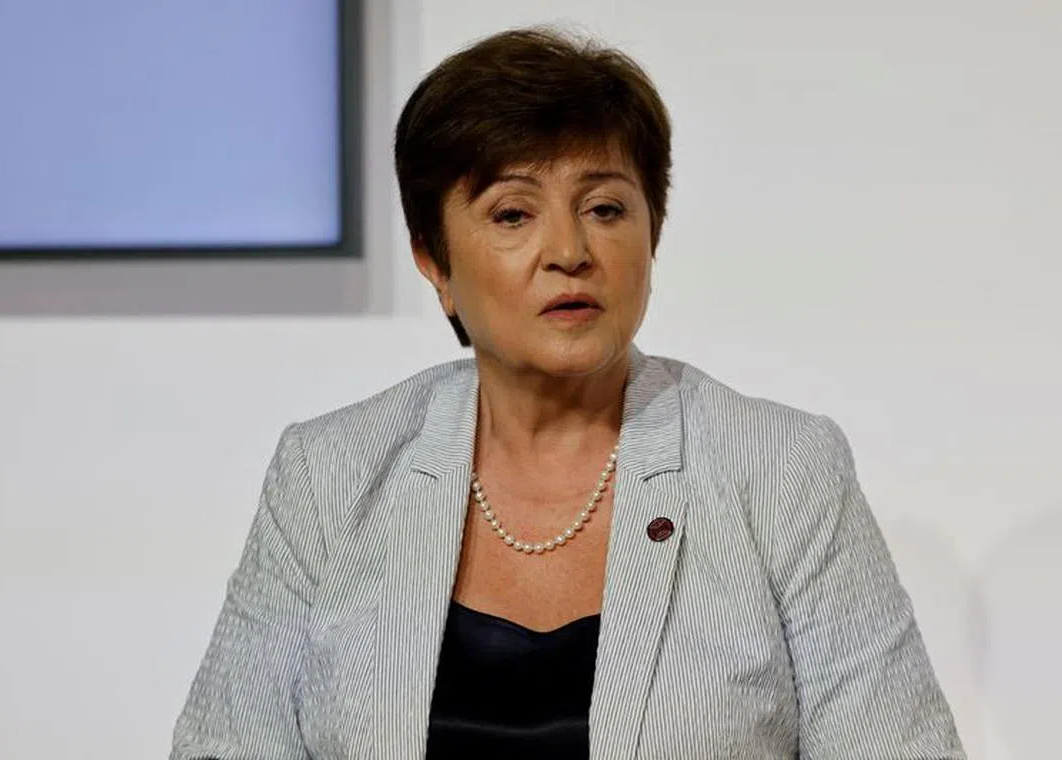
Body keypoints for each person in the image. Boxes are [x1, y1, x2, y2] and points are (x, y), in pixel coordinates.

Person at [170, 27, 965, 760]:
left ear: (652, 235)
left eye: (606, 208)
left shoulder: (782, 470)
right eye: (514, 212)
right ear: (433, 260)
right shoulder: (329, 474)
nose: (570, 251)